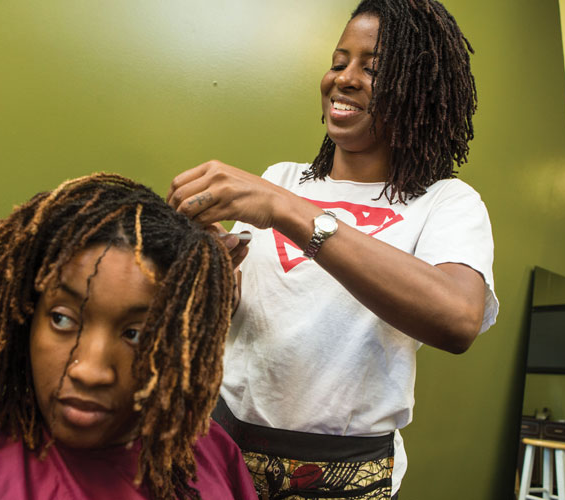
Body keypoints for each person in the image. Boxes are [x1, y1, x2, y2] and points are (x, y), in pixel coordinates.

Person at [167, 0, 499, 498]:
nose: (344, 78)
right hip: (221, 444)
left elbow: (457, 319)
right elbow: (240, 313)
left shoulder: (445, 202)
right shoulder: (282, 178)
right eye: (339, 61)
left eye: (374, 68)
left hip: (341, 472)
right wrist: (213, 262)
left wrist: (290, 212)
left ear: (422, 91)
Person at [0, 173, 258, 500]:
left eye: (137, 333)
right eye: (62, 319)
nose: (90, 371)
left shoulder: (210, 457)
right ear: (25, 318)